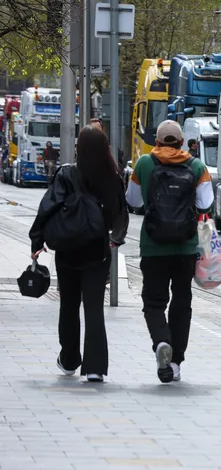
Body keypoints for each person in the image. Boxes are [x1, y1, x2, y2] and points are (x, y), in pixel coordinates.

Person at [29, 125, 128, 383]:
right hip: (97, 251)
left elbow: (47, 207)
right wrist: (114, 240)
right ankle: (95, 367)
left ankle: (70, 358)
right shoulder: (112, 177)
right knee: (94, 307)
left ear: (79, 147)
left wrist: (37, 240)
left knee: (69, 305)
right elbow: (120, 213)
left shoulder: (66, 174)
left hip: (68, 250)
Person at [125, 120, 213, 383]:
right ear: (182, 143)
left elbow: (133, 200)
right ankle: (175, 363)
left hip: (153, 247)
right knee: (182, 302)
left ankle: (162, 341)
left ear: (158, 142)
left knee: (153, 303)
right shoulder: (197, 166)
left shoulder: (144, 163)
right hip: (185, 247)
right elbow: (205, 203)